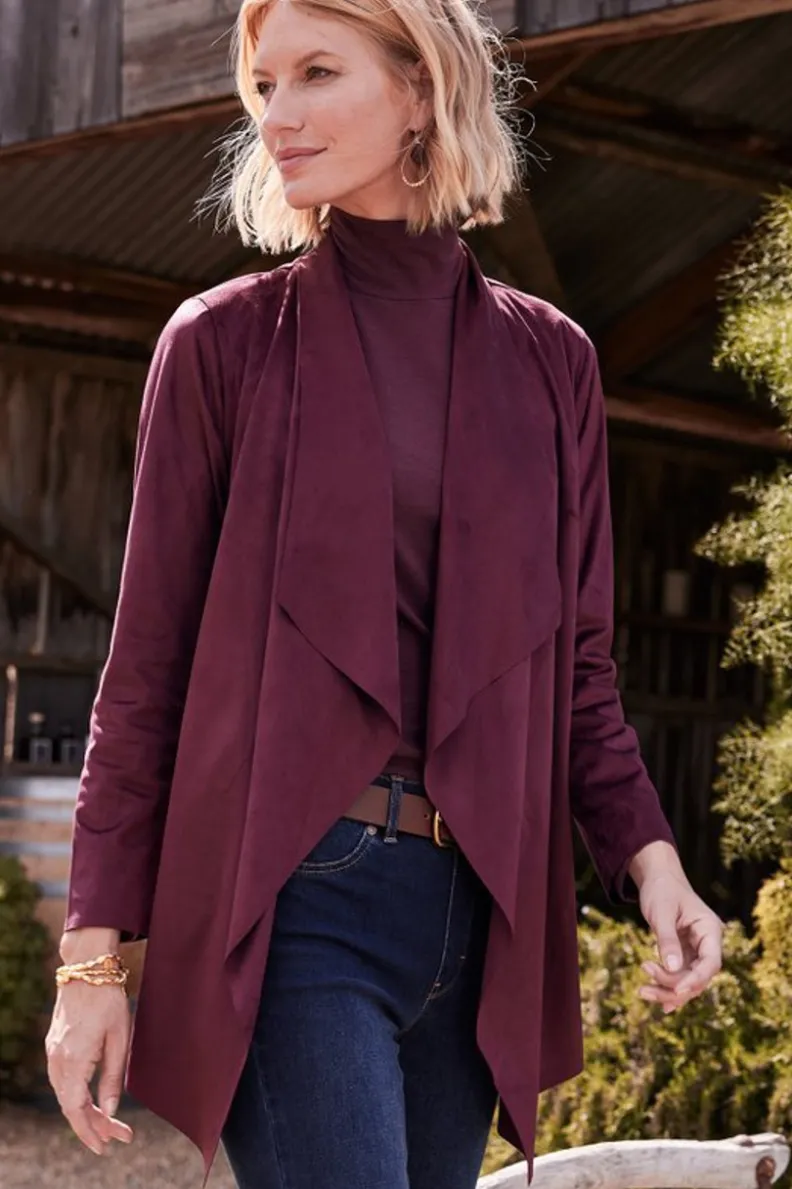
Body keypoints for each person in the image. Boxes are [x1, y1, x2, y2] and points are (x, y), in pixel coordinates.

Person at [45, 0, 724, 1186]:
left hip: (482, 911)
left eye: (317, 72)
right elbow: (144, 674)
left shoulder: (552, 362)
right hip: (296, 901)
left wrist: (652, 860)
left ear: (422, 90)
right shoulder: (221, 347)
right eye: (265, 85)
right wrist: (92, 962)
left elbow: (579, 672)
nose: (278, 115)